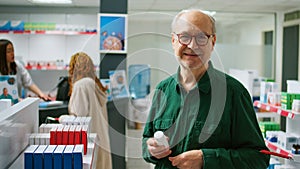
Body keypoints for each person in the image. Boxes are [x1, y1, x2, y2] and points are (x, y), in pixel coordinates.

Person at [142, 9, 270, 169]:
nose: (192, 45)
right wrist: (150, 149)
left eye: (202, 37)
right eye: (185, 37)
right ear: (174, 40)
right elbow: (146, 140)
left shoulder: (233, 93)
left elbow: (258, 158)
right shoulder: (163, 90)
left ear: (213, 42)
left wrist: (206, 159)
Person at [68, 52, 112, 169]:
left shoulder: (81, 86)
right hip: (103, 142)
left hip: (90, 146)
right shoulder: (94, 84)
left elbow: (78, 118)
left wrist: (62, 118)